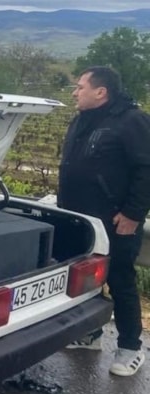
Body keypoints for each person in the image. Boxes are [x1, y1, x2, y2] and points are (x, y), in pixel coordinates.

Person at [60, 66, 150, 377]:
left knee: (120, 280)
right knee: (88, 279)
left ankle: (129, 348)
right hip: (80, 221)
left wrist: (133, 214)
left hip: (115, 221)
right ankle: (92, 335)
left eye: (81, 86)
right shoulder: (83, 120)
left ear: (101, 92)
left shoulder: (131, 121)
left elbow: (146, 170)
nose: (75, 91)